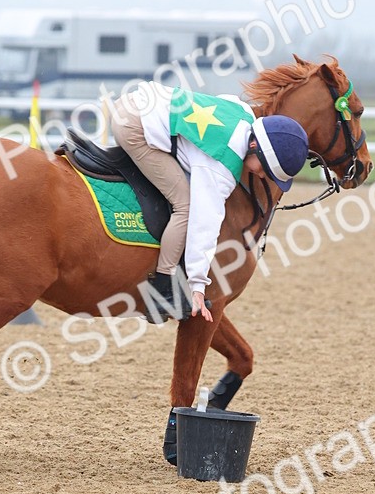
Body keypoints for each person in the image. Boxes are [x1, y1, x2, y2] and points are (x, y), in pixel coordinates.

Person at [109, 81, 308, 322]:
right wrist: (197, 286)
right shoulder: (220, 168)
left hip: (138, 102)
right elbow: (203, 226)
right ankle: (162, 286)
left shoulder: (244, 114)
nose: (263, 176)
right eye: (265, 168)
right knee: (186, 206)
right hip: (133, 126)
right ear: (254, 146)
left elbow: (224, 99)